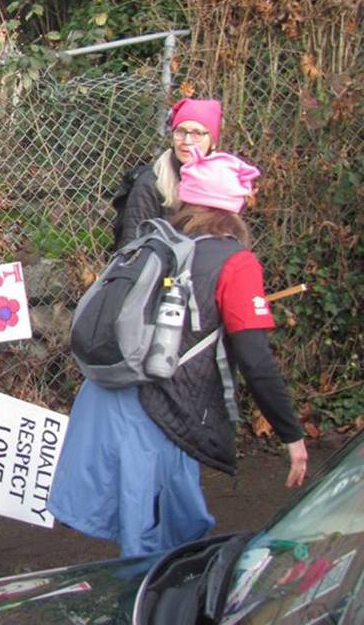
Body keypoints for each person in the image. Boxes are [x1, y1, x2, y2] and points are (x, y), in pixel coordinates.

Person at [49, 149, 308, 558]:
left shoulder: (155, 241)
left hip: (107, 396)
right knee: (159, 544)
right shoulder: (236, 263)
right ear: (235, 208)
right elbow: (255, 361)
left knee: (149, 531)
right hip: (159, 412)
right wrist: (291, 434)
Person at [118, 98, 223, 247]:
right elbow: (131, 247)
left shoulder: (225, 187)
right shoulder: (151, 184)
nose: (187, 141)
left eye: (197, 133)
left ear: (212, 142)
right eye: (180, 131)